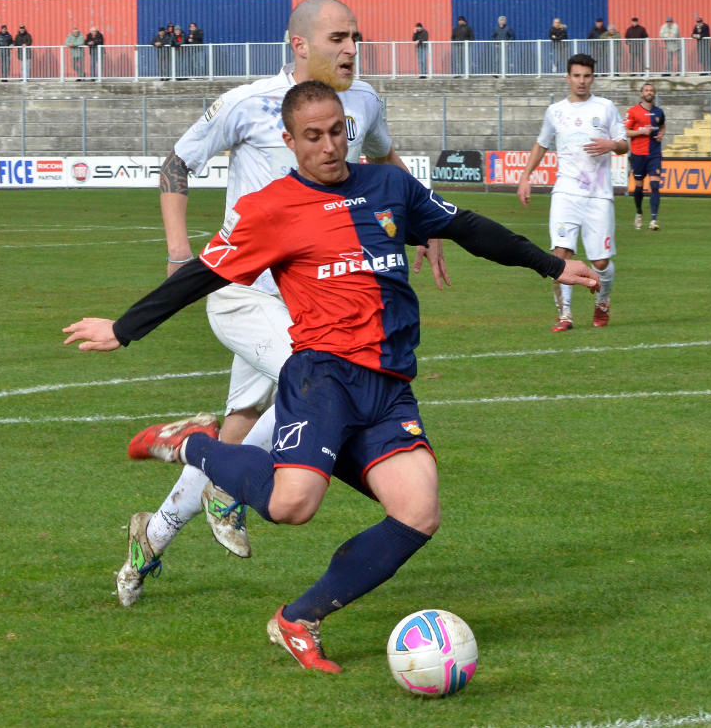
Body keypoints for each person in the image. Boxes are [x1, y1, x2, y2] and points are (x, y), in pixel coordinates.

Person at [63, 79, 599, 674]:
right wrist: (124, 328)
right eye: (312, 136)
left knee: (418, 513)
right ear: (289, 140)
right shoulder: (269, 208)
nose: (328, 146)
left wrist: (551, 264)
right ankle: (191, 443)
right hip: (324, 378)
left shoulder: (389, 185)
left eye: (336, 130)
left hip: (390, 386)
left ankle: (299, 618)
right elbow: (200, 276)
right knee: (293, 506)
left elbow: (468, 227)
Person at [106, 0, 446, 609]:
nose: (351, 49)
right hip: (245, 294)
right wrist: (179, 252)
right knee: (314, 376)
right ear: (300, 45)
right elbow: (177, 162)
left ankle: (150, 538)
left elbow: (384, 160)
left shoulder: (362, 103)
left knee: (241, 432)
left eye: (355, 37)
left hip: (316, 298)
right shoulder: (247, 102)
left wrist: (428, 223)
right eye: (338, 37)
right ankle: (218, 473)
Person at [516, 53, 626, 332]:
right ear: (568, 78)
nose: (582, 81)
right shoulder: (555, 111)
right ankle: (564, 315)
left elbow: (624, 144)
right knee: (559, 256)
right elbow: (541, 145)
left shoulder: (606, 108)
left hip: (599, 195)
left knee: (600, 262)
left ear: (593, 78)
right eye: (576, 76)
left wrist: (611, 144)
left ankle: (603, 301)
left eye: (587, 76)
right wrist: (525, 177)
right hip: (565, 193)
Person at [624, 82, 665, 232]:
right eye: (646, 90)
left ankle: (654, 219)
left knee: (655, 185)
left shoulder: (659, 112)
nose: (649, 93)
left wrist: (661, 134)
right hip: (638, 154)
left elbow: (662, 126)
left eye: (651, 91)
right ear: (641, 94)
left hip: (654, 154)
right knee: (639, 187)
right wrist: (641, 132)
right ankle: (639, 212)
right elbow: (626, 132)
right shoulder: (633, 112)